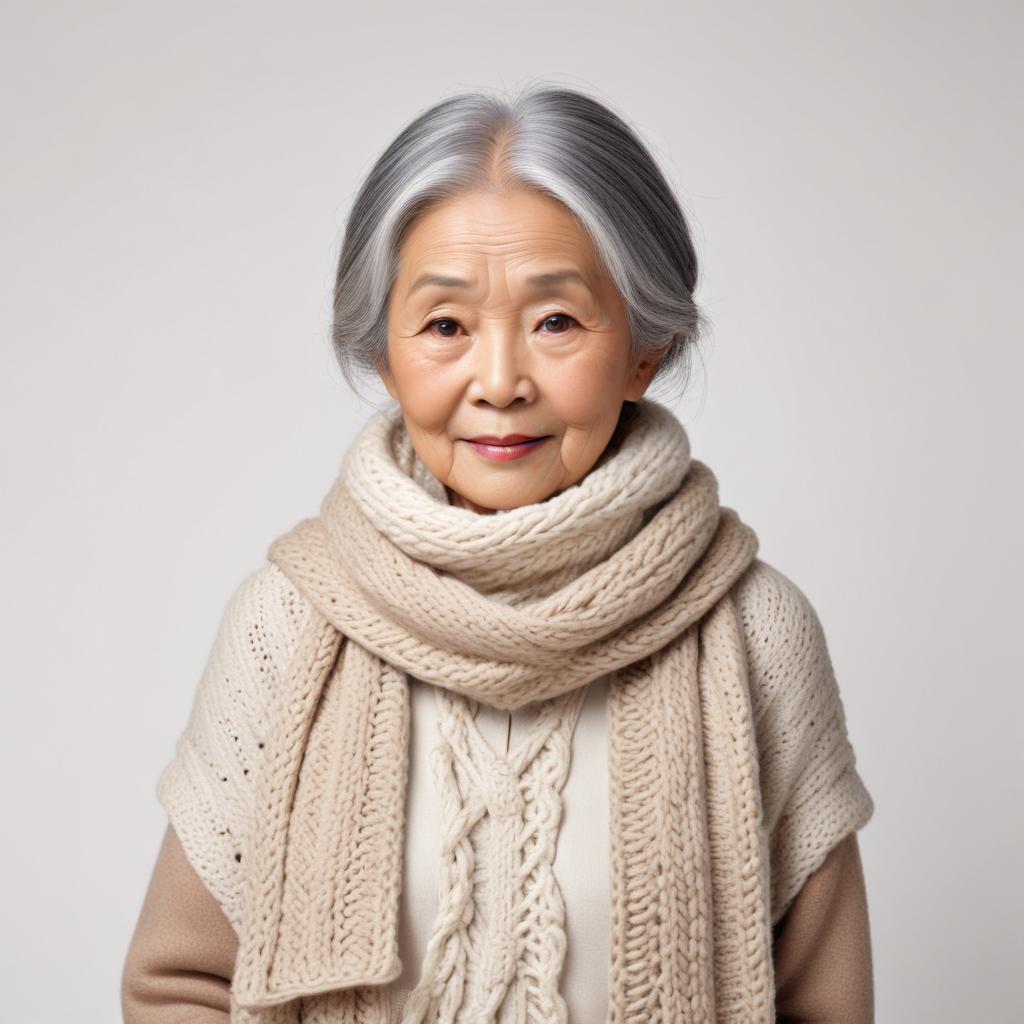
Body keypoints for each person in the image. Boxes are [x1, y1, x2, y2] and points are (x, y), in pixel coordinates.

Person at [122, 83, 875, 1023]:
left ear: (644, 348)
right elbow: (181, 985)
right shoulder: (287, 626)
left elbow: (822, 1005)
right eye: (445, 326)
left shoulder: (756, 635)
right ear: (386, 353)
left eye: (556, 321)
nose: (501, 381)